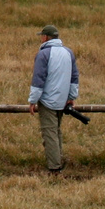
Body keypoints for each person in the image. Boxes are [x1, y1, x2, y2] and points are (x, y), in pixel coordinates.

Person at [27, 25, 79, 172]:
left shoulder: (43, 54)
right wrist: (71, 96)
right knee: (56, 131)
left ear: (45, 38)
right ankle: (58, 160)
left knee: (49, 134)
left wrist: (32, 100)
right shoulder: (68, 52)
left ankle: (55, 167)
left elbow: (38, 79)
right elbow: (74, 77)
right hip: (63, 99)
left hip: (47, 100)